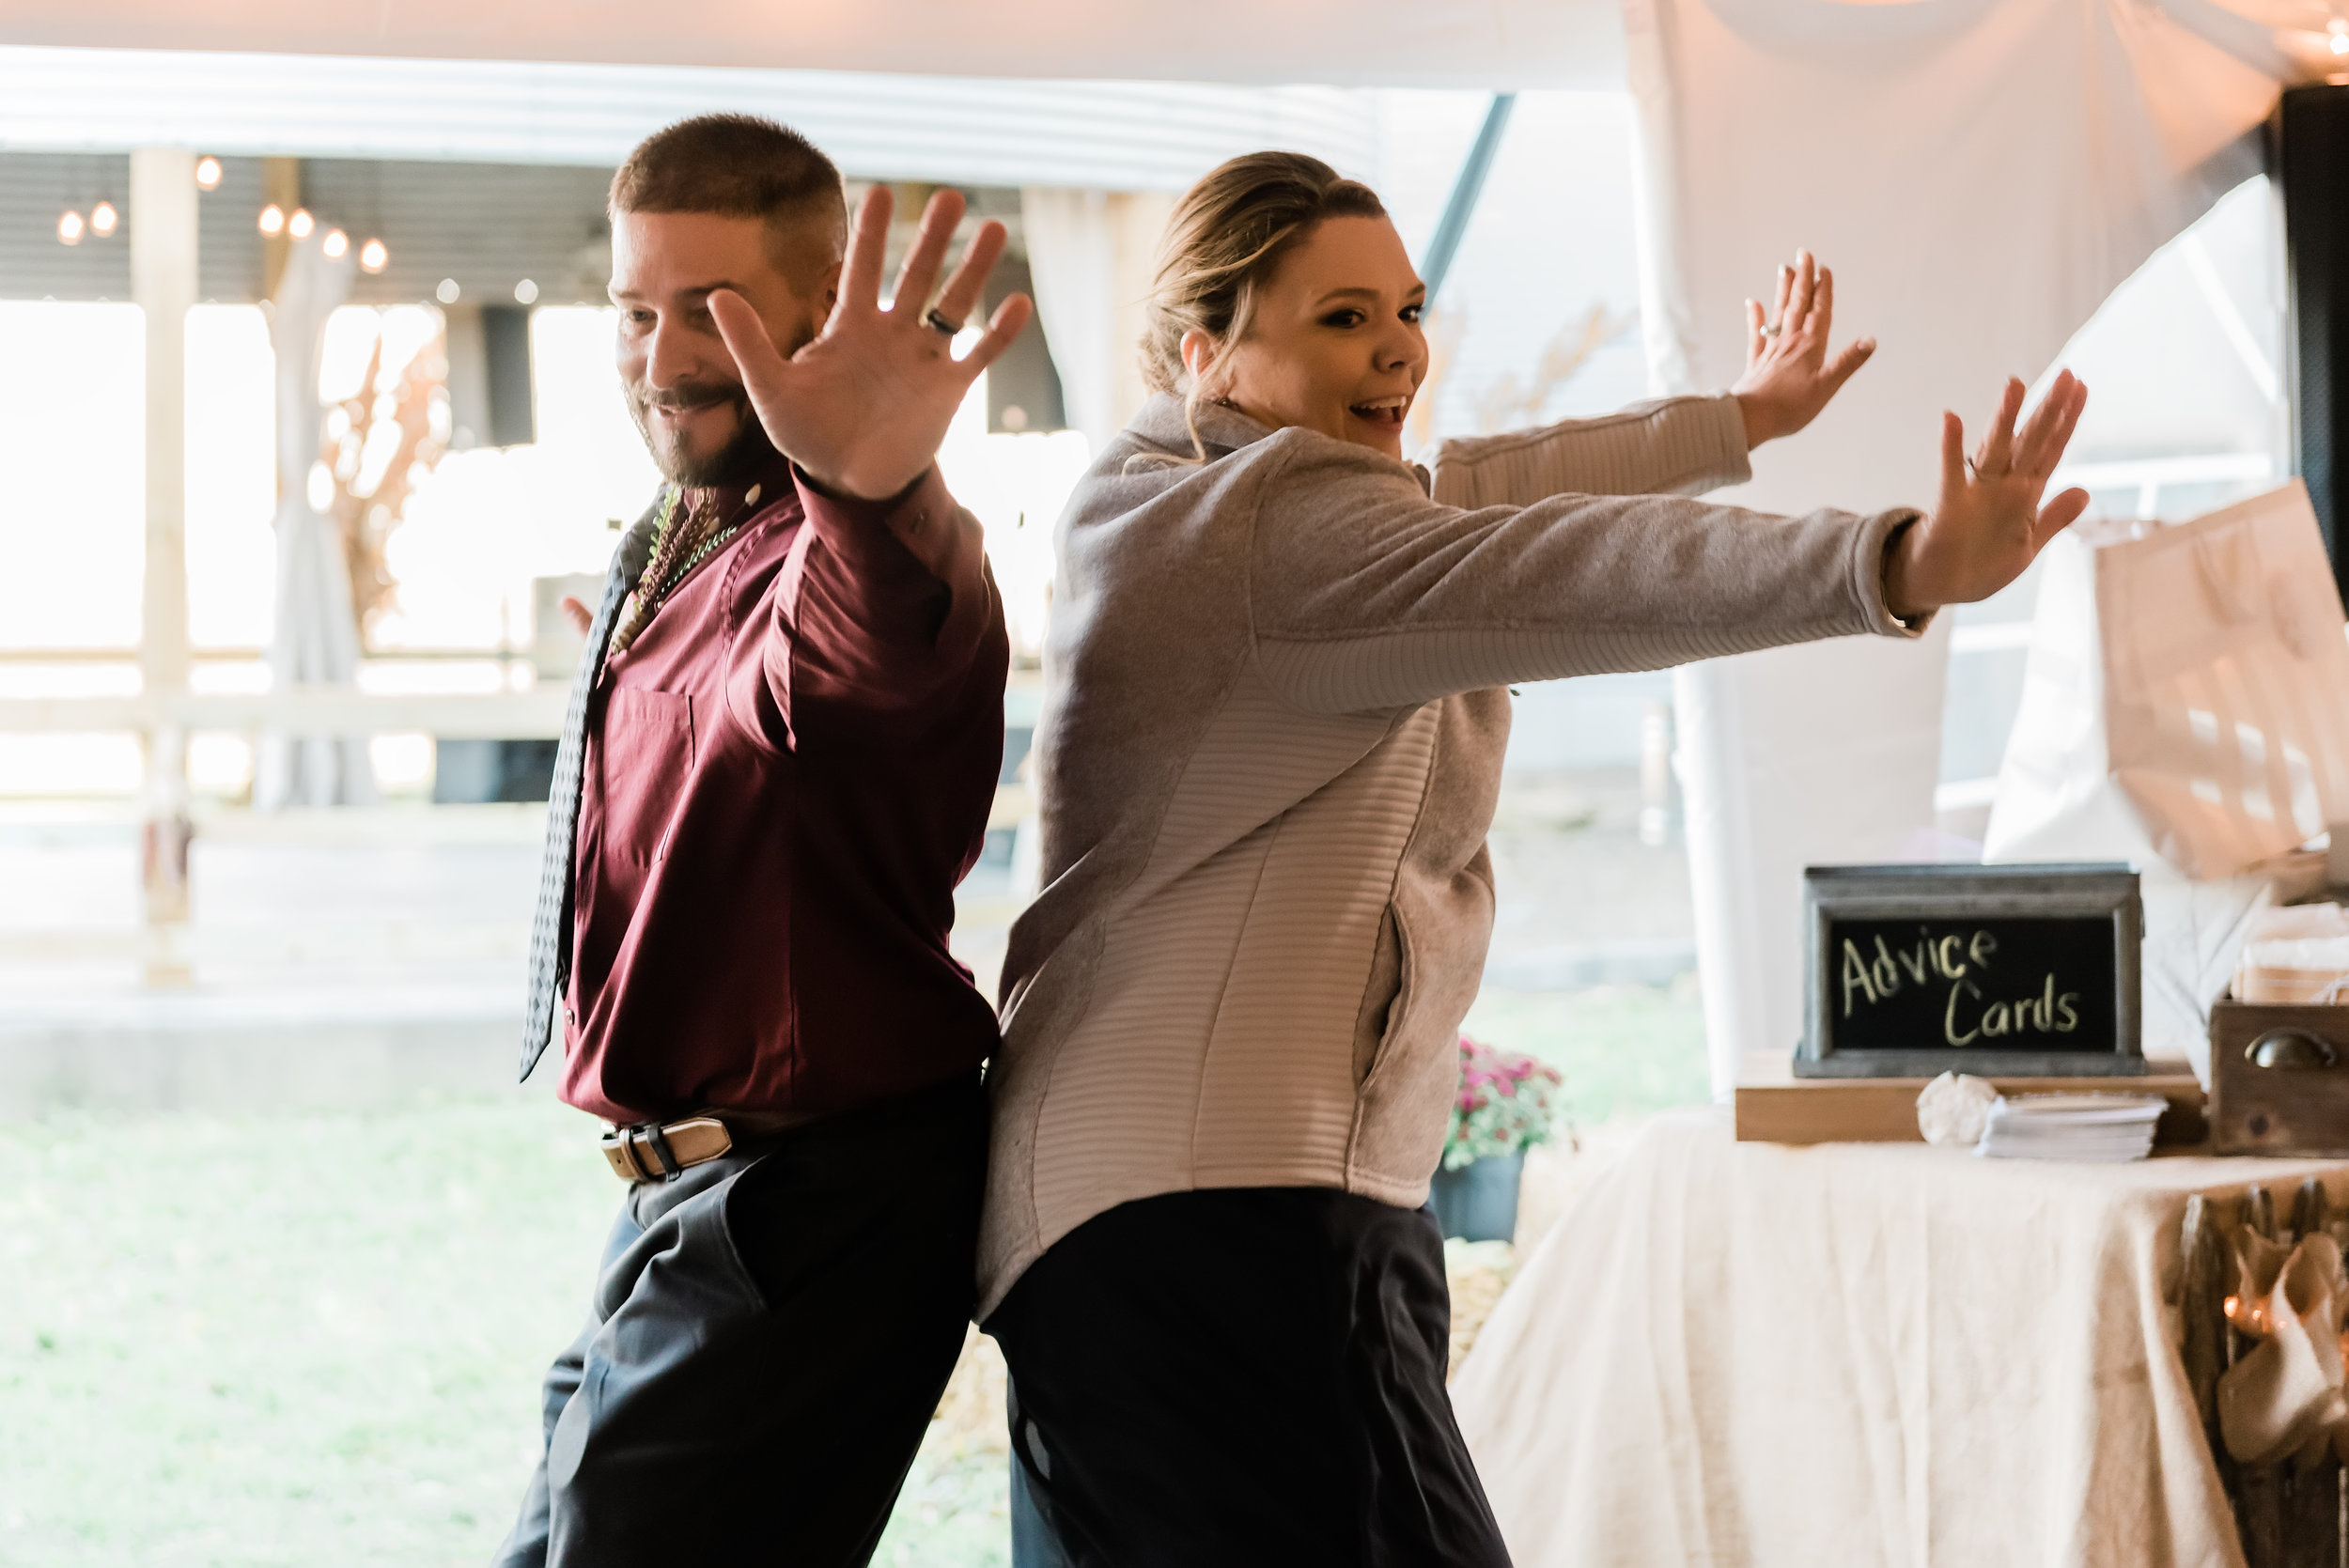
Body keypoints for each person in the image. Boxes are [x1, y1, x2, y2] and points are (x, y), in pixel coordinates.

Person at [981, 150, 2087, 1565]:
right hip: (1217, 1222)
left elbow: (1489, 486)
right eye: (1340, 317)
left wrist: (1734, 420)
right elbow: (1572, 562)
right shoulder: (1277, 535)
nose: (1398, 346)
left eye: (1407, 305)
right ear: (1210, 353)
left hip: (1151, 1217)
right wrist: (1898, 563)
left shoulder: (1180, 488)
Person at [494, 114, 1030, 1567]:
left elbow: (859, 659)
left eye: (715, 314)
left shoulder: (858, 545)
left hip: (811, 1211)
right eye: (638, 308)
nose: (663, 356)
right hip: (680, 1206)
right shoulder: (684, 540)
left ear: (815, 315)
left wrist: (867, 489)